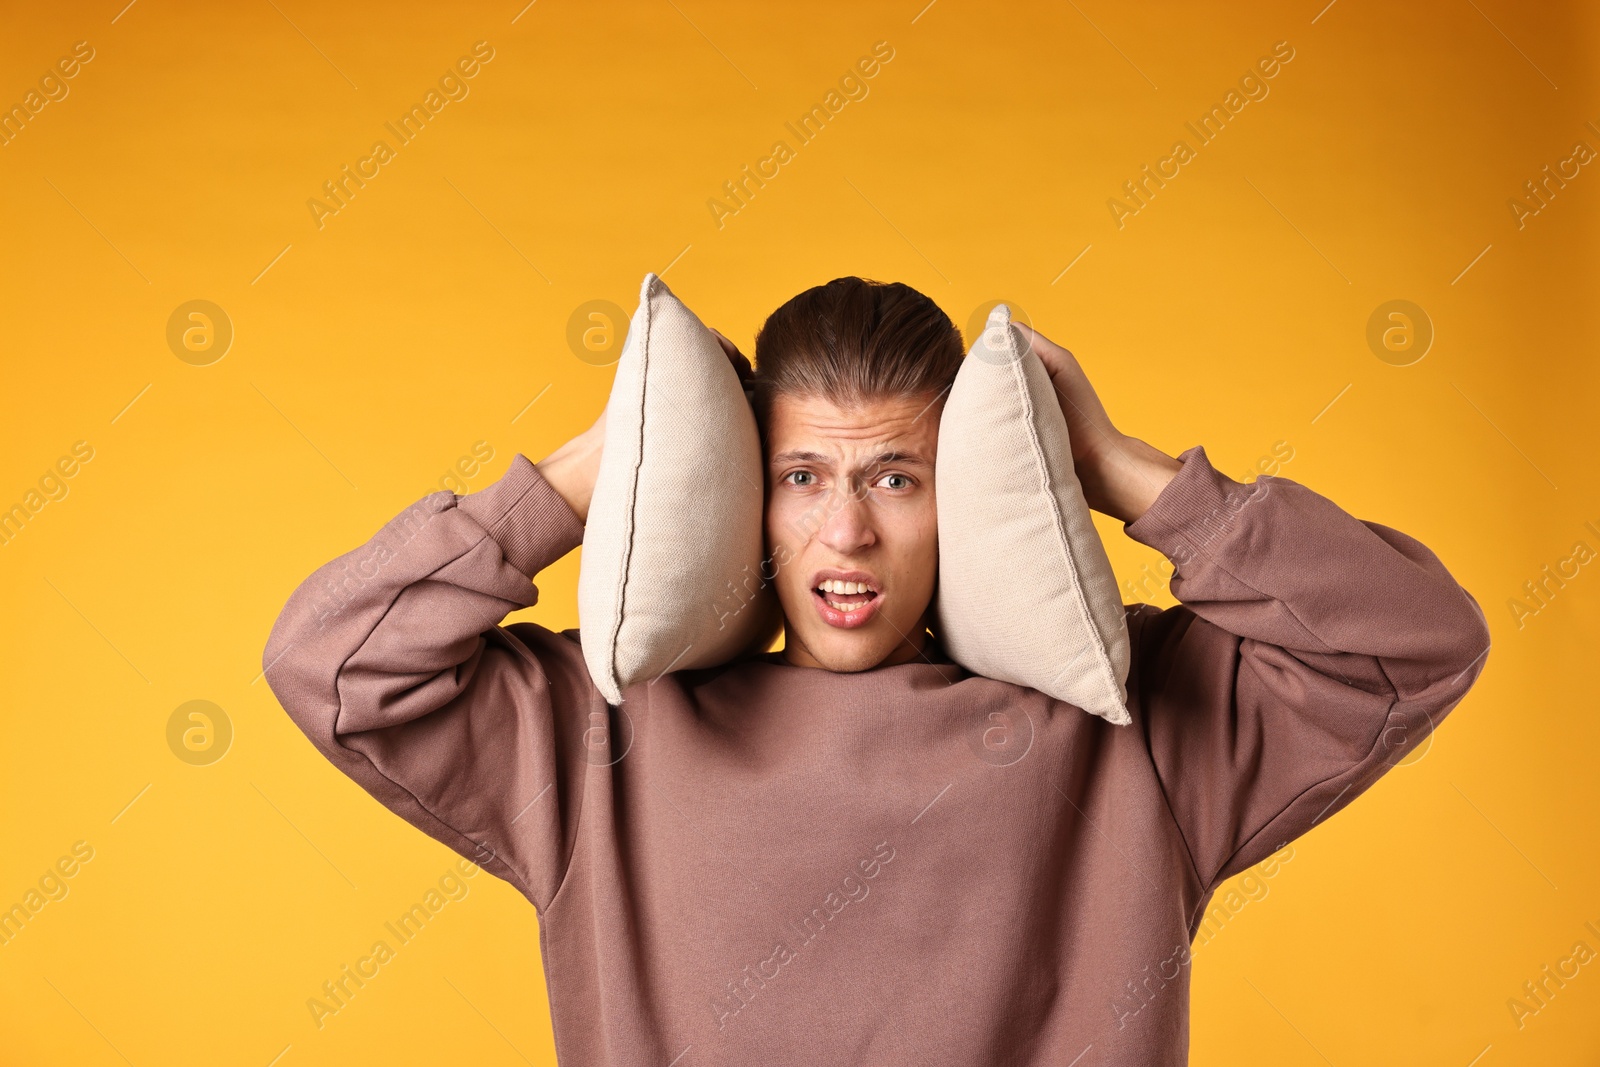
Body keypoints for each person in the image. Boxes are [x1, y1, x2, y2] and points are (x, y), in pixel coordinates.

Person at [262, 277, 1491, 1065]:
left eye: (895, 477)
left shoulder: (1128, 718)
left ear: (959, 491)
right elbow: (333, 660)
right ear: (743, 490)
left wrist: (1116, 465)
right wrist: (596, 467)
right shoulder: (599, 731)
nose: (845, 534)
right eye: (802, 476)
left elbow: (1410, 636)